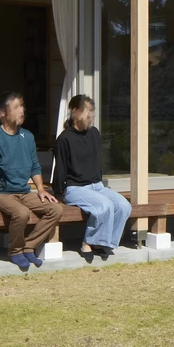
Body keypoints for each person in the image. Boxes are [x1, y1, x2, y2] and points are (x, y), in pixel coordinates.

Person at [0, 91, 62, 271]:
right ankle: (15, 251)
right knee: (22, 213)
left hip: (23, 191)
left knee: (55, 209)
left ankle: (29, 246)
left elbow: (34, 165)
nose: (22, 110)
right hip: (0, 193)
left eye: (22, 106)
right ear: (2, 113)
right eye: (16, 107)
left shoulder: (28, 137)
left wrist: (41, 189)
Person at [52, 94, 132, 257]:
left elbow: (96, 163)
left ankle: (105, 242)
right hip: (75, 188)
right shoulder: (64, 139)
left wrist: (100, 184)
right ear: (74, 111)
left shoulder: (94, 133)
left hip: (97, 186)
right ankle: (88, 242)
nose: (90, 116)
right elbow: (60, 168)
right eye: (86, 111)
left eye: (92, 112)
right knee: (104, 206)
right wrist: (59, 193)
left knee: (124, 206)